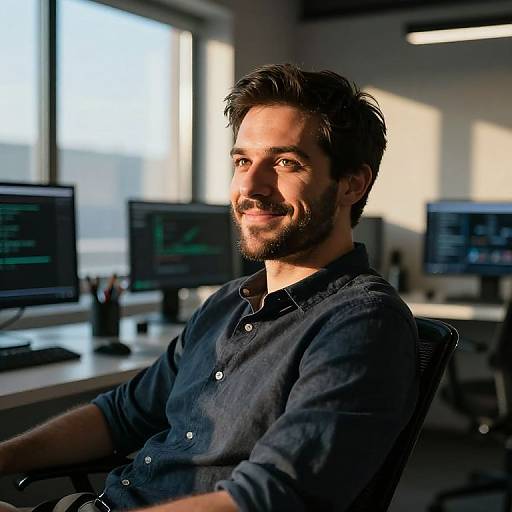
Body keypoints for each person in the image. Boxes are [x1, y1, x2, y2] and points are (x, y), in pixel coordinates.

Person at [0, 63, 419, 512]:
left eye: (285, 162)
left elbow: (269, 500)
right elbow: (121, 415)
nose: (251, 187)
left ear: (351, 184)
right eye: (242, 161)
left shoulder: (363, 323)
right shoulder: (227, 303)